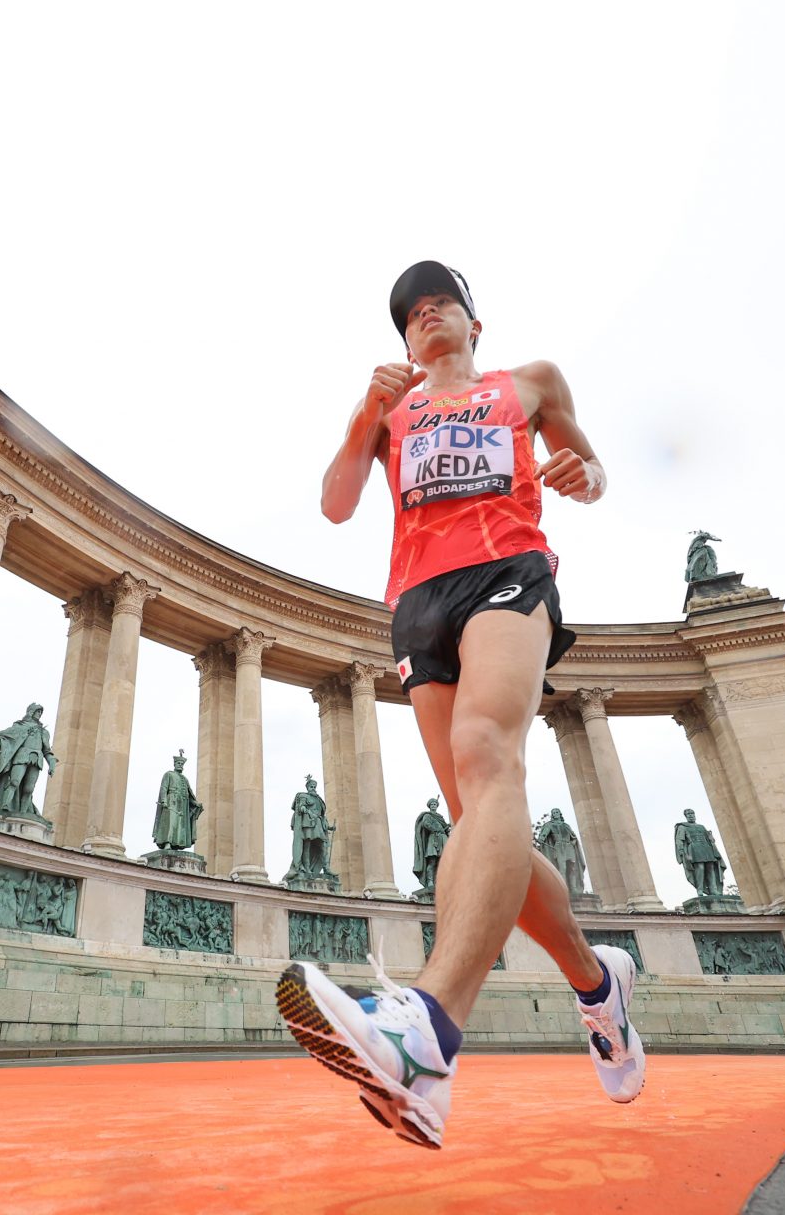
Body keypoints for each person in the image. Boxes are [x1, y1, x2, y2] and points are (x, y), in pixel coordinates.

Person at [275, 260, 645, 1148]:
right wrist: (365, 413)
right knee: (482, 819)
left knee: (489, 753)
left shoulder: (530, 383)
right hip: (417, 601)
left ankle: (429, 1031)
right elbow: (333, 506)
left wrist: (580, 475)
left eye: (438, 300)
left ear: (474, 321)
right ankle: (600, 984)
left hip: (509, 572)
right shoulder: (390, 406)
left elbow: (593, 473)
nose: (423, 312)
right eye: (408, 311)